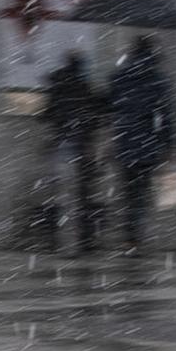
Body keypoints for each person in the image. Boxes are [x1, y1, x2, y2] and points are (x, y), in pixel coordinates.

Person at [106, 35, 176, 253]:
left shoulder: (119, 77)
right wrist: (170, 144)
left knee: (128, 190)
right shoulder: (158, 79)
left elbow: (111, 107)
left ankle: (129, 236)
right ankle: (136, 237)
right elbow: (166, 116)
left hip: (124, 142)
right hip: (148, 143)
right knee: (141, 192)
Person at [40, 51, 104, 254]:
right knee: (82, 195)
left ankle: (56, 238)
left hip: (61, 145)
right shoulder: (84, 87)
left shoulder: (57, 84)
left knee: (59, 194)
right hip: (81, 147)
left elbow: (47, 114)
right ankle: (82, 240)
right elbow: (93, 116)